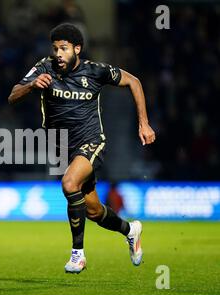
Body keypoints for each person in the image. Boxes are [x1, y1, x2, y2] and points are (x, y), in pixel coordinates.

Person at [8, 23, 156, 273]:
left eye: (64, 48)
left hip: (92, 141)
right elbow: (13, 95)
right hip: (63, 148)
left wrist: (144, 123)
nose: (58, 54)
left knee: (69, 184)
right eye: (55, 48)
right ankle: (131, 230)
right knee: (94, 211)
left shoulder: (95, 71)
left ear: (77, 49)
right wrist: (32, 85)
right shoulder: (44, 67)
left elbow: (134, 82)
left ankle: (78, 255)